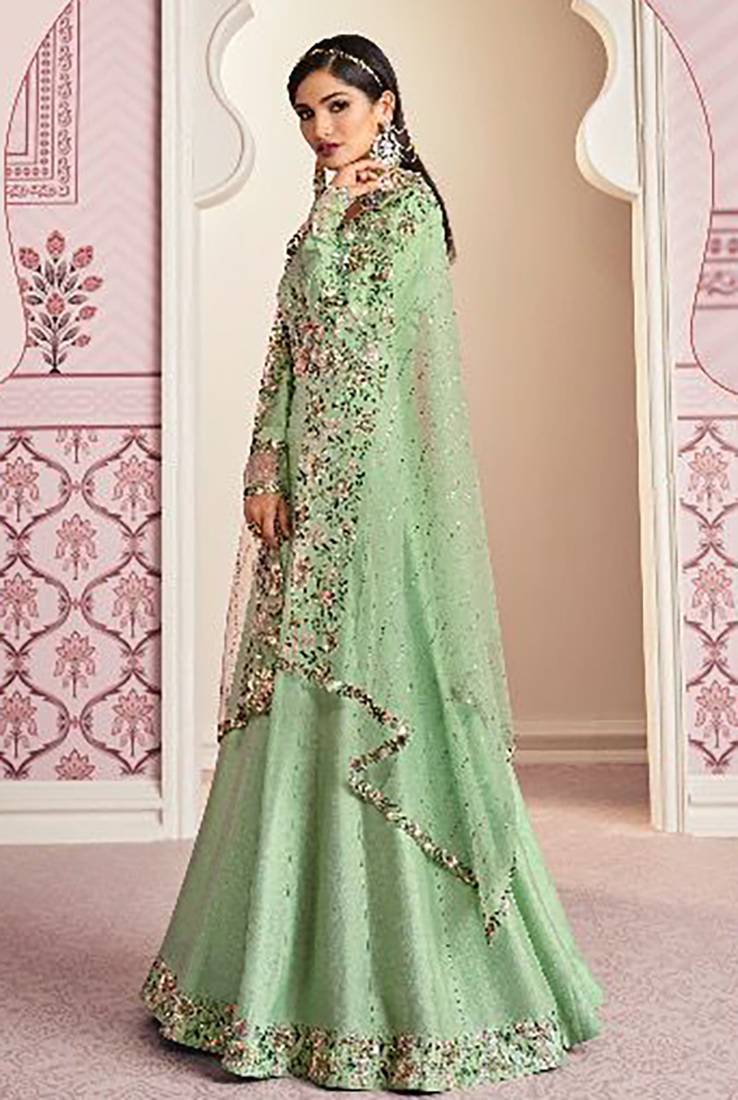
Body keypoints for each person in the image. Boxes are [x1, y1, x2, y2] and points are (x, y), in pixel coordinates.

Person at [140, 32, 605, 1093]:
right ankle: (272, 976)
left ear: (384, 105)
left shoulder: (403, 212)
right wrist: (266, 465)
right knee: (291, 698)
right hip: (306, 483)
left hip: (375, 487)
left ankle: (409, 993)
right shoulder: (324, 209)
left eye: (337, 107)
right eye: (306, 113)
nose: (320, 129)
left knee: (374, 680)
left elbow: (358, 350)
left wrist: (321, 239)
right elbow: (285, 349)